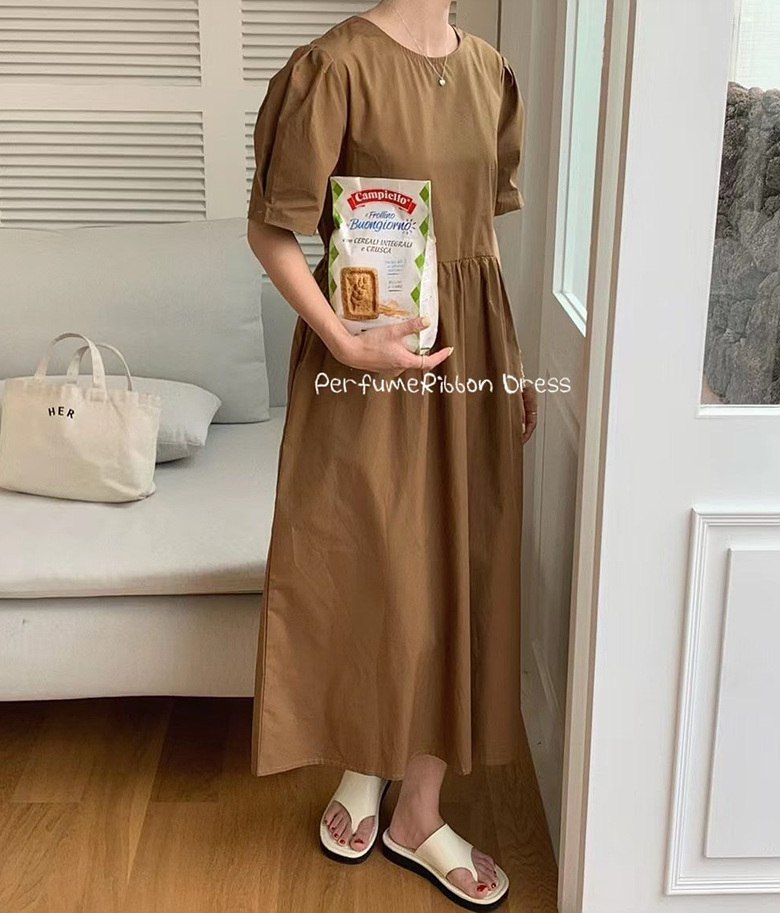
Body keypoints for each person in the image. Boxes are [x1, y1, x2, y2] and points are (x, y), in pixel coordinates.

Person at [246, 1, 537, 908]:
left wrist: (513, 363)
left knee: (461, 566)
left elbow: (480, 240)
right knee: (376, 564)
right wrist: (343, 341)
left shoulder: (489, 70)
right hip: (365, 357)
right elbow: (271, 229)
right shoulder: (333, 68)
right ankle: (366, 759)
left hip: (469, 355)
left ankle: (418, 809)